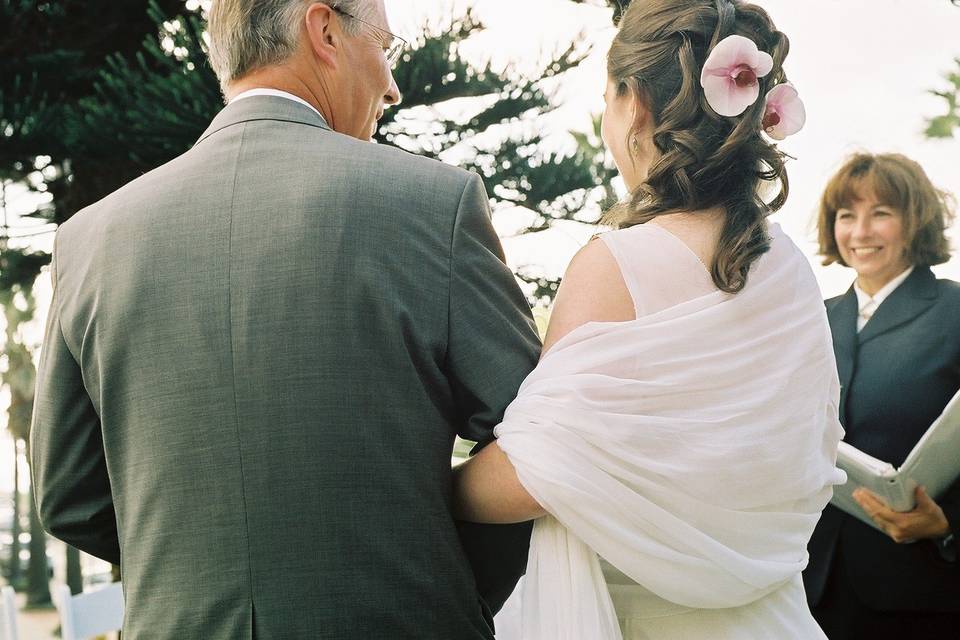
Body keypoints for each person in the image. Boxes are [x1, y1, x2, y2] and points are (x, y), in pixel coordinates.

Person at [29, 1, 540, 638]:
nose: (392, 83)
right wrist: (438, 582)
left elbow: (69, 496)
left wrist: (203, 573)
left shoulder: (89, 239)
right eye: (386, 45)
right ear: (325, 30)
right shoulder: (436, 204)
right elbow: (545, 441)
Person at [454, 1, 844, 638]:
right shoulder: (791, 268)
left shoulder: (616, 264)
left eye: (607, 97)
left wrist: (436, 487)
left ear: (633, 103)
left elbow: (532, 476)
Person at [803, 152, 960, 638]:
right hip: (809, 586)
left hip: (922, 591)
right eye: (847, 215)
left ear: (914, 221)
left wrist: (948, 524)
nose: (860, 232)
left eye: (881, 214)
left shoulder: (954, 312)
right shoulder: (810, 319)